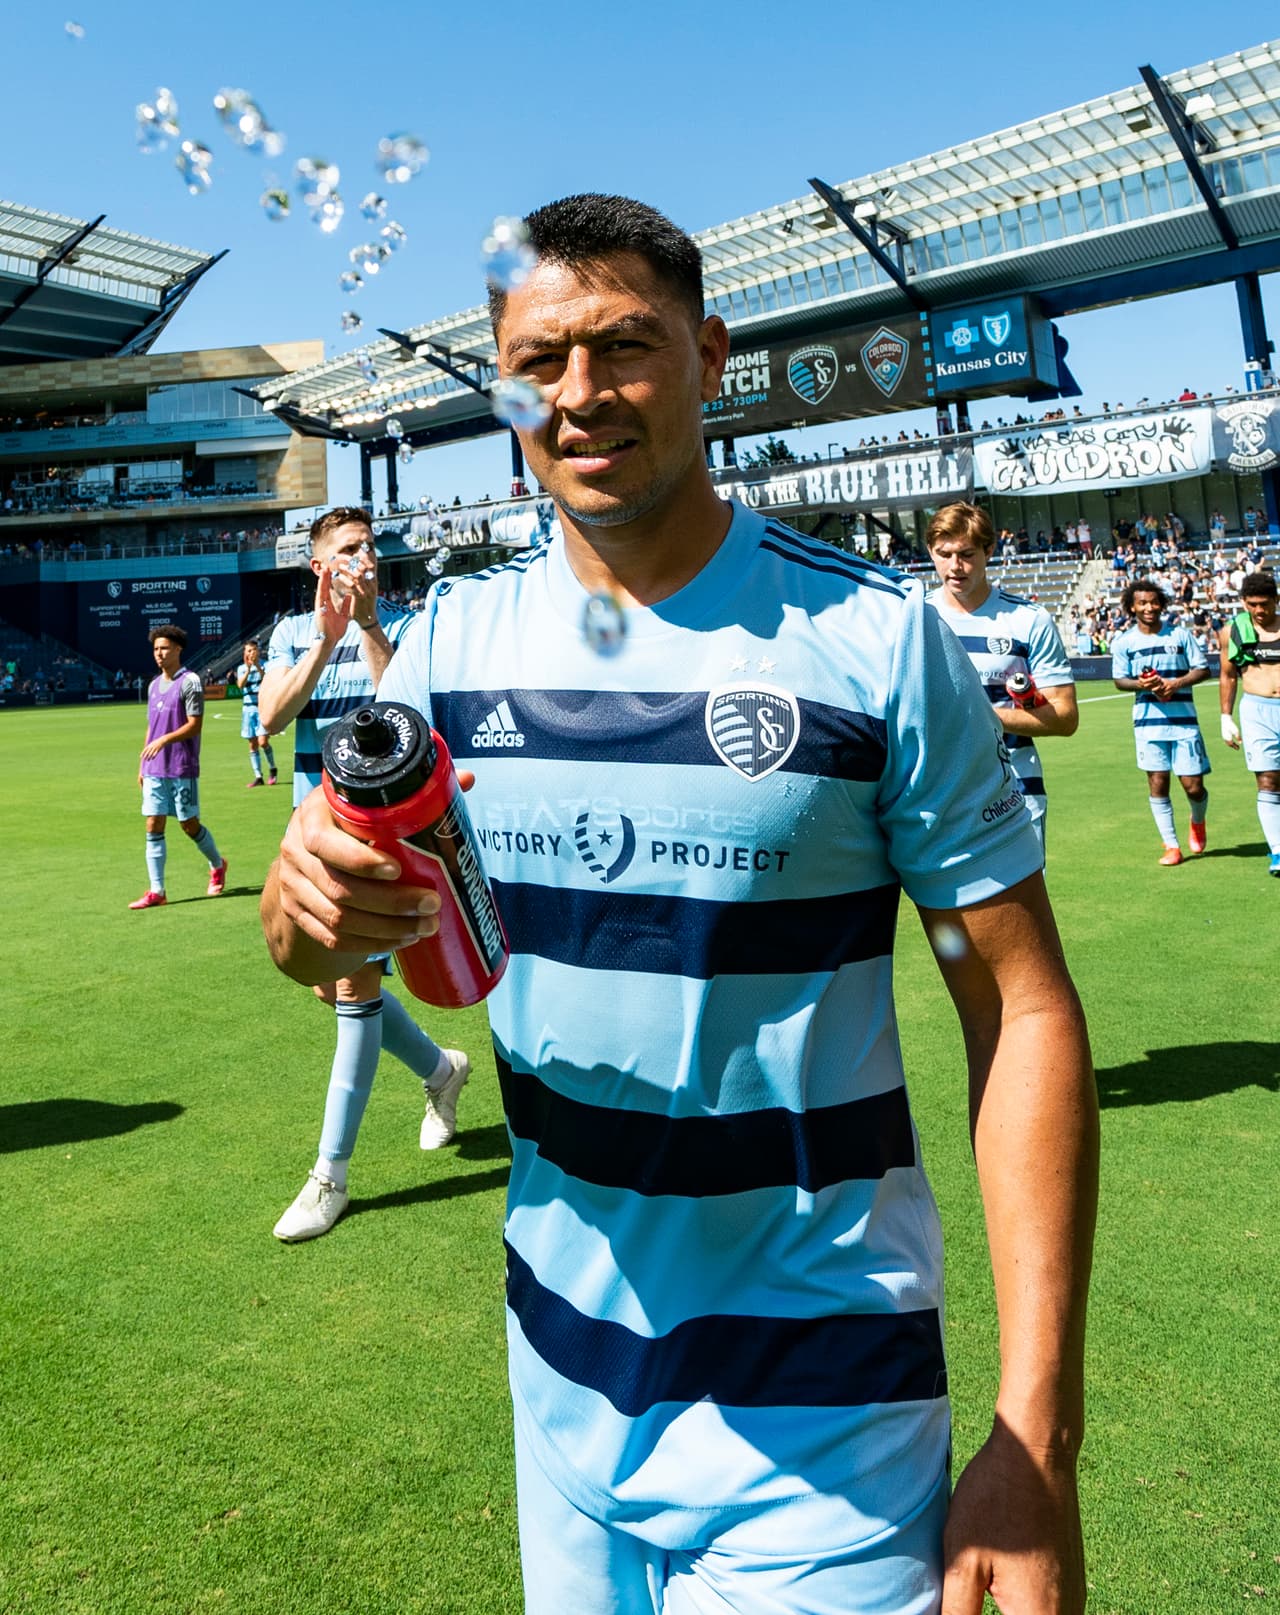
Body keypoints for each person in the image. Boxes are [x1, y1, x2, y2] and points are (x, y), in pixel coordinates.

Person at [260, 196, 1098, 1614]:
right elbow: (313, 934)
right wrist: (300, 912)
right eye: (541, 359)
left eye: (625, 347)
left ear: (709, 355)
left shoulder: (874, 644)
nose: (579, 394)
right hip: (561, 1388)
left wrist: (1039, 1436)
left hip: (820, 1419)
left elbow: (1019, 1008)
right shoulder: (450, 654)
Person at [259, 507, 470, 1242]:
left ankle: (331, 1176)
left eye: (370, 545)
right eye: (348, 548)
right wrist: (326, 639)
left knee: (353, 986)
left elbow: (407, 710)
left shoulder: (405, 624)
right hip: (310, 836)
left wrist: (373, 626)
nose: (364, 556)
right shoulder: (291, 632)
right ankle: (441, 1070)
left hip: (380, 839)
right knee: (335, 984)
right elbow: (272, 718)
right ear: (320, 567)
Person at [925, 501, 1078, 854]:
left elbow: (1066, 717)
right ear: (931, 552)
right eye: (944, 554)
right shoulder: (913, 617)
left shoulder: (1028, 619)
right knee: (945, 911)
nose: (955, 566)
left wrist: (984, 717)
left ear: (989, 550)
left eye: (966, 553)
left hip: (1015, 793)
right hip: (933, 798)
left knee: (1024, 912)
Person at [1110, 579, 1211, 865]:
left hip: (1184, 722)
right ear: (1132, 606)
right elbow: (1119, 681)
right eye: (1142, 602)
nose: (1149, 607)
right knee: (1158, 782)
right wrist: (1147, 686)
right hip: (1148, 724)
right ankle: (1171, 845)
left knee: (1193, 786)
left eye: (1154, 602)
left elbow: (1203, 670)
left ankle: (1198, 820)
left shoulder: (1179, 635)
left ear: (1161, 604)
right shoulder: (1124, 642)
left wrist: (1175, 683)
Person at [129, 623, 228, 909]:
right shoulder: (153, 685)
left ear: (178, 650)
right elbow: (152, 727)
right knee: (153, 822)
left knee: (188, 824)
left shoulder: (191, 682)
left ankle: (217, 863)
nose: (159, 654)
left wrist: (165, 741)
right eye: (156, 649)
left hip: (181, 766)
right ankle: (157, 891)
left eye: (165, 648)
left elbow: (195, 726)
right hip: (154, 768)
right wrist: (142, 764)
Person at [1218, 570, 1280, 875]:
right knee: (1267, 781)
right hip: (1257, 711)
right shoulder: (1234, 632)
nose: (1259, 610)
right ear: (1244, 602)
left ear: (1276, 601)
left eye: (1265, 604)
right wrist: (1225, 718)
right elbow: (1228, 675)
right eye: (1252, 604)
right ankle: (1278, 851)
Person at [235, 639, 278, 788]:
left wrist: (257, 666)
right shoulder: (241, 668)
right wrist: (248, 669)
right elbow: (240, 685)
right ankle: (258, 776)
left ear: (258, 651)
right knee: (252, 744)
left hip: (262, 708)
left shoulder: (266, 665)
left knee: (263, 742)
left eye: (253, 650)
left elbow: (268, 679)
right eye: (248, 651)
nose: (251, 653)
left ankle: (273, 769)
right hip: (248, 710)